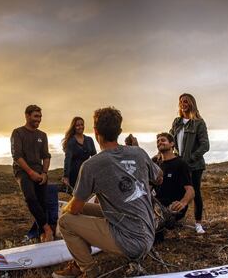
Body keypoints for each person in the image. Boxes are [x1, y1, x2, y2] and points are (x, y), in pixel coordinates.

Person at [53, 107, 161, 278]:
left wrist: (66, 210)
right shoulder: (138, 153)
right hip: (148, 233)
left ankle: (89, 271)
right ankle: (78, 261)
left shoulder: (92, 165)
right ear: (119, 131)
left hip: (131, 242)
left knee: (66, 220)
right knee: (85, 209)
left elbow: (74, 209)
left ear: (95, 132)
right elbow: (159, 177)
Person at [11, 105, 54, 242]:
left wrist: (45, 173)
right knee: (30, 198)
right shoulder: (18, 133)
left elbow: (46, 156)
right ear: (27, 116)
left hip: (40, 171)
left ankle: (42, 234)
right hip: (22, 170)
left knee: (42, 203)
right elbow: (16, 156)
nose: (39, 119)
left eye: (40, 117)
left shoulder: (42, 135)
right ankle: (47, 229)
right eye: (36, 116)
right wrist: (30, 172)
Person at [170, 93, 209, 234]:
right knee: (178, 192)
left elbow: (205, 145)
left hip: (195, 165)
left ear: (191, 103)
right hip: (179, 164)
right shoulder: (177, 122)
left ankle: (198, 224)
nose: (182, 104)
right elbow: (170, 140)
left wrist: (190, 158)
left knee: (195, 193)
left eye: (185, 101)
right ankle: (175, 220)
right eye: (180, 101)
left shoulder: (199, 123)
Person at [154, 133, 194, 226]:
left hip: (173, 205)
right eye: (158, 141)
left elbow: (190, 190)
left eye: (163, 140)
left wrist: (183, 202)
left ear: (172, 144)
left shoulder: (180, 163)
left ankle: (166, 222)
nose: (160, 142)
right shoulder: (155, 163)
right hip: (156, 203)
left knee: (157, 221)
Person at [61, 117, 97, 189]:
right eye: (77, 125)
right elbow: (67, 160)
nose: (80, 127)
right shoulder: (71, 141)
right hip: (74, 174)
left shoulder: (89, 140)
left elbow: (94, 157)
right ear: (74, 127)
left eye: (82, 124)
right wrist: (66, 176)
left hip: (87, 173)